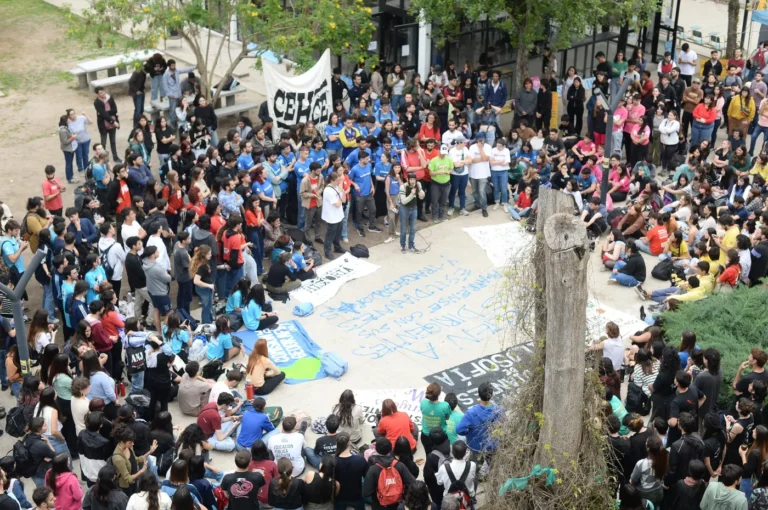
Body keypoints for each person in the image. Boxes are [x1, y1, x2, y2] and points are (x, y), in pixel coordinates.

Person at [362, 437, 416, 510]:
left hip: (379, 505)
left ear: (376, 449)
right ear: (391, 448)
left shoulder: (373, 469)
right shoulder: (400, 466)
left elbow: (366, 492)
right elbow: (413, 483)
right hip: (398, 503)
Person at [113, 426, 158, 497]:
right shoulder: (118, 458)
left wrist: (150, 452)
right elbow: (128, 479)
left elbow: (136, 460)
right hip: (126, 485)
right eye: (130, 442)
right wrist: (141, 471)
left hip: (134, 477)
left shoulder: (129, 447)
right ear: (122, 442)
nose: (133, 444)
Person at [79, 411, 113, 487]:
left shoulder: (81, 435)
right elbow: (109, 459)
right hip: (100, 475)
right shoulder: (104, 442)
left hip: (88, 472)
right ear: (100, 425)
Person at [420, 383, 451, 455]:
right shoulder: (445, 406)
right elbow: (447, 417)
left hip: (426, 435)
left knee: (429, 454)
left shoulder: (423, 403)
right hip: (440, 435)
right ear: (439, 394)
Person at [399, 173, 425, 254]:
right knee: (404, 229)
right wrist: (412, 194)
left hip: (414, 208)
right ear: (408, 180)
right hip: (404, 208)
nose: (413, 181)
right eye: (411, 180)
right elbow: (403, 201)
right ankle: (403, 245)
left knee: (413, 229)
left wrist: (422, 194)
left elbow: (421, 196)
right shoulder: (403, 187)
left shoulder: (418, 184)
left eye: (414, 179)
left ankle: (411, 245)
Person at [468, 137, 491, 218]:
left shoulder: (488, 147)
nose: (481, 142)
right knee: (474, 191)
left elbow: (486, 158)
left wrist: (481, 149)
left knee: (481, 191)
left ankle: (484, 208)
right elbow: (471, 160)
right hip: (473, 173)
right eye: (479, 140)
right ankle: (477, 204)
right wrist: (482, 158)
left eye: (482, 140)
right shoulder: (472, 147)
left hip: (483, 174)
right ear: (477, 140)